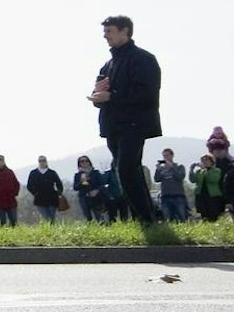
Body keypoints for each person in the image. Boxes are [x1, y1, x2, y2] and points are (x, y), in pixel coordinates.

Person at [90, 15, 162, 226]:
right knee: (132, 172)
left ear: (125, 31)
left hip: (135, 124)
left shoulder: (143, 59)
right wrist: (98, 96)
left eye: (109, 31)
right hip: (113, 126)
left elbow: (147, 93)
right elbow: (101, 95)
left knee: (126, 170)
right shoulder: (108, 65)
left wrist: (112, 96)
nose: (105, 36)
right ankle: (150, 218)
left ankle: (145, 219)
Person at [26, 156, 67, 224]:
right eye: (40, 161)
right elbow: (29, 186)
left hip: (52, 198)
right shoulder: (33, 173)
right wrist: (35, 193)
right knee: (46, 217)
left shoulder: (52, 172)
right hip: (39, 199)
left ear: (46, 162)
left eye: (43, 160)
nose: (42, 162)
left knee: (51, 217)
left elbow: (59, 184)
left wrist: (59, 193)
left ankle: (52, 231)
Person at [154, 148, 190, 222]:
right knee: (167, 218)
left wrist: (172, 167)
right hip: (165, 196)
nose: (166, 158)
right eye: (164, 156)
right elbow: (156, 179)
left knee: (182, 217)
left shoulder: (179, 167)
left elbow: (180, 177)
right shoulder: (162, 168)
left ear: (172, 156)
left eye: (167, 155)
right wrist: (158, 170)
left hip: (178, 196)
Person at [192, 153, 225, 222]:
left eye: (206, 160)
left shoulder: (216, 170)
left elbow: (212, 179)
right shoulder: (199, 171)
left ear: (211, 161)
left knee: (214, 215)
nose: (204, 162)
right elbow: (192, 180)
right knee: (204, 215)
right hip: (201, 196)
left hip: (213, 196)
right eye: (203, 160)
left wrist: (206, 171)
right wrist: (191, 170)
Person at [72, 155, 107, 221]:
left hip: (96, 197)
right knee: (87, 217)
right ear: (79, 164)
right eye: (82, 161)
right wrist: (82, 182)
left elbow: (102, 184)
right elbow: (75, 187)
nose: (84, 163)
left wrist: (96, 190)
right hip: (84, 197)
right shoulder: (78, 175)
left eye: (86, 161)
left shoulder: (95, 172)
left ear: (89, 162)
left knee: (99, 216)